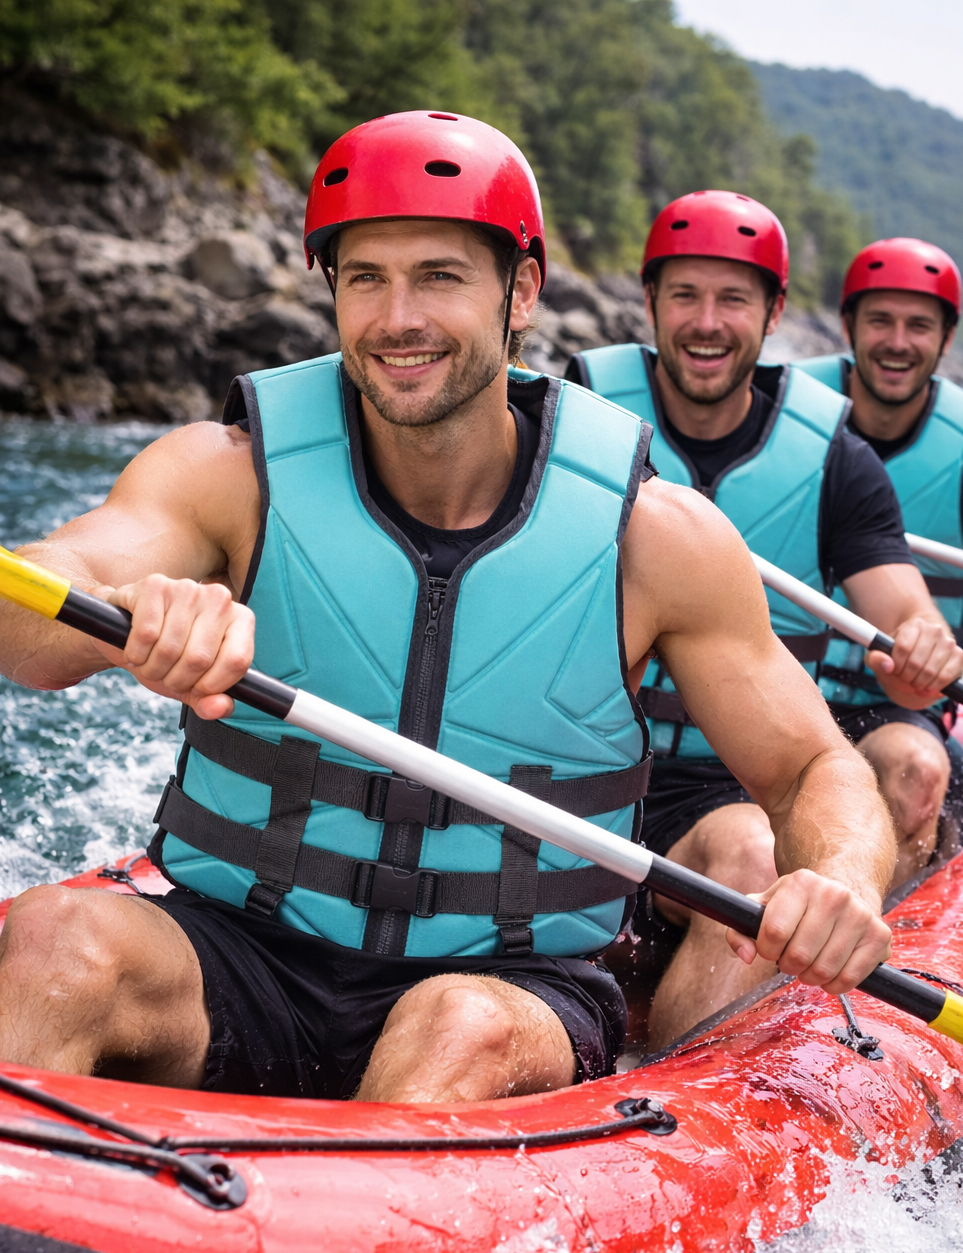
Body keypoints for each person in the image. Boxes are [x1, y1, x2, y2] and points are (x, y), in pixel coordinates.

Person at [0, 120, 896, 1098]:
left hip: (508, 982)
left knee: (454, 1030)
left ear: (521, 290)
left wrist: (840, 881)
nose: (397, 319)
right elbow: (29, 606)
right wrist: (119, 611)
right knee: (54, 938)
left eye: (438, 277)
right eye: (365, 279)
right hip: (243, 951)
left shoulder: (656, 539)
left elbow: (814, 769)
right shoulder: (226, 474)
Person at [568, 192, 963, 1044]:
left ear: (775, 313)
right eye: (684, 295)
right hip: (575, 764)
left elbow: (900, 608)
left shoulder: (837, 460)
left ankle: (698, 1074)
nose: (707, 322)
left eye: (734, 299)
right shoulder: (571, 418)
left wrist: (922, 640)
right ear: (650, 302)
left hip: (723, 780)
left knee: (759, 849)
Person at [795, 238, 963, 840]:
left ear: (947, 338)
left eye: (919, 325)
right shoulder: (776, 421)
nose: (898, 341)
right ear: (848, 325)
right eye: (880, 321)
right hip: (775, 689)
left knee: (916, 768)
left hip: (892, 707)